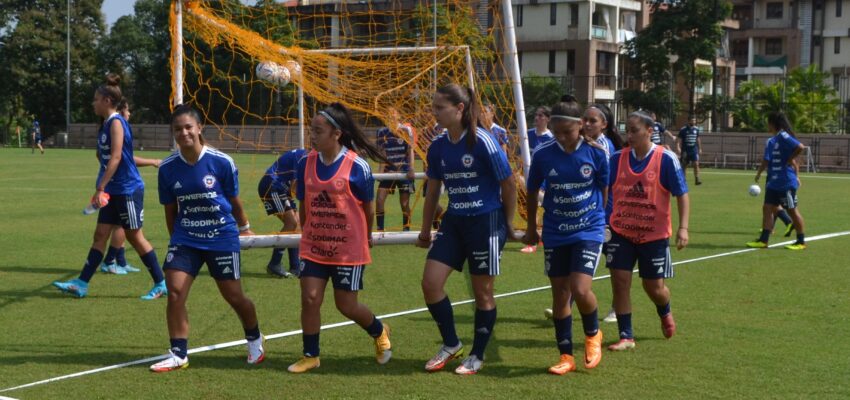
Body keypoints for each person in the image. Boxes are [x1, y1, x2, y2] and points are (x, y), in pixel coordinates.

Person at [150, 104, 265, 372]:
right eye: (178, 129)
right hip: (186, 238)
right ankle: (179, 353)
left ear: (199, 128)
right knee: (175, 292)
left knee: (234, 296)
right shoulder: (167, 168)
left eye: (189, 127)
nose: (184, 133)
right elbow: (171, 210)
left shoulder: (221, 162)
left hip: (221, 237)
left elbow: (234, 201)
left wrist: (244, 226)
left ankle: (255, 339)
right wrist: (176, 241)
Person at [416, 83, 518, 375]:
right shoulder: (437, 146)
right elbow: (433, 191)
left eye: (439, 108)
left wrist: (507, 224)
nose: (434, 113)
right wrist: (425, 231)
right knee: (430, 283)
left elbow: (508, 184)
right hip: (454, 221)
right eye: (433, 107)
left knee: (482, 292)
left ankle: (477, 354)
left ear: (459, 108)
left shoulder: (483, 141)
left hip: (485, 222)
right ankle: (451, 344)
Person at [287, 102, 392, 374]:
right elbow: (304, 203)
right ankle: (311, 354)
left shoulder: (357, 166)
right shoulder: (305, 163)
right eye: (312, 130)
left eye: (318, 130)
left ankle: (379, 330)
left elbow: (367, 207)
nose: (313, 135)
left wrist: (366, 236)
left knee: (346, 305)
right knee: (310, 298)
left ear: (337, 134)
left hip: (348, 249)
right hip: (315, 246)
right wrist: (306, 231)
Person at [52, 74, 166, 300]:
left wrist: (100, 187)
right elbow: (105, 156)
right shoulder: (105, 125)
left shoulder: (116, 123)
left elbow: (116, 158)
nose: (93, 103)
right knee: (100, 235)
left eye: (95, 99)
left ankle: (161, 283)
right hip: (113, 191)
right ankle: (81, 284)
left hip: (127, 189)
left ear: (106, 100)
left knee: (135, 237)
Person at [523, 101, 607, 375]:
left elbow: (604, 189)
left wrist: (600, 220)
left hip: (588, 228)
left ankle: (593, 334)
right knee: (560, 295)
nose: (561, 136)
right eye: (556, 131)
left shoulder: (596, 152)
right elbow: (532, 190)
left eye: (567, 132)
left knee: (580, 289)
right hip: (555, 231)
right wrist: (532, 227)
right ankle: (566, 355)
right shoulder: (543, 154)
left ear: (580, 125)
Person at [606, 111, 690, 351]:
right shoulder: (616, 159)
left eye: (634, 131)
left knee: (654, 288)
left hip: (653, 236)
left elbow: (681, 194)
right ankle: (626, 336)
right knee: (620, 282)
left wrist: (683, 228)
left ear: (649, 131)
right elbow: (604, 190)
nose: (629, 135)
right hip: (620, 231)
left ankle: (664, 311)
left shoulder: (665, 159)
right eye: (627, 130)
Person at [100, 100, 162, 275]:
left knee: (120, 227)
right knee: (125, 228)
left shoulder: (114, 126)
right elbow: (119, 157)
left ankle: (119, 260)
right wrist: (153, 162)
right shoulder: (117, 125)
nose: (130, 114)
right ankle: (110, 260)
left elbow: (116, 156)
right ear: (120, 111)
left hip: (117, 184)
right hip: (123, 186)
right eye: (128, 110)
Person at [581, 104, 624, 324]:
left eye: (592, 121)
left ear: (604, 125)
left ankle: (617, 307)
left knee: (616, 265)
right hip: (588, 215)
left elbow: (608, 185)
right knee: (578, 261)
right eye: (585, 119)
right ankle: (566, 302)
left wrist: (607, 215)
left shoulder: (604, 148)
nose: (587, 124)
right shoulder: (581, 145)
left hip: (609, 215)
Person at [746, 111, 807, 250]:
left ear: (773, 123)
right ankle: (764, 240)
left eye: (768, 122)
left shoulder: (783, 135)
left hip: (785, 181)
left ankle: (801, 241)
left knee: (792, 210)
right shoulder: (774, 139)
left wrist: (790, 159)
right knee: (767, 208)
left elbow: (800, 146)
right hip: (774, 181)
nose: (767, 125)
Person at [258, 147, 307, 278]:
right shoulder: (303, 157)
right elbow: (295, 186)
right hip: (272, 186)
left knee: (297, 224)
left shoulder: (308, 156)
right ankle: (274, 263)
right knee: (291, 223)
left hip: (281, 188)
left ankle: (296, 267)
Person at [375, 108, 416, 232]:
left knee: (404, 204)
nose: (391, 117)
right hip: (388, 172)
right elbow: (382, 153)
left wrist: (411, 168)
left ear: (398, 116)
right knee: (379, 200)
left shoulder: (405, 130)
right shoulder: (381, 132)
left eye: (393, 114)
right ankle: (380, 230)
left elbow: (410, 150)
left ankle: (406, 229)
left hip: (403, 172)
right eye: (388, 115)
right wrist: (380, 171)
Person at [521, 106, 555, 254]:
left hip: (544, 182)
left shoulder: (551, 139)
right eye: (536, 115)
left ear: (548, 119)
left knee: (544, 210)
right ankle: (535, 240)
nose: (537, 118)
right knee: (531, 210)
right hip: (527, 180)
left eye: (541, 116)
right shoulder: (526, 135)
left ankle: (535, 241)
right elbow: (519, 157)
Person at [677, 116, 702, 185]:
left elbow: (698, 139)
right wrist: (678, 147)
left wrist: (700, 148)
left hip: (694, 150)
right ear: (688, 121)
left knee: (696, 164)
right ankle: (683, 180)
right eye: (692, 120)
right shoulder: (683, 129)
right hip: (685, 150)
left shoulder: (696, 129)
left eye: (694, 120)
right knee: (684, 165)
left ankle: (697, 179)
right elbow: (679, 139)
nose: (694, 122)